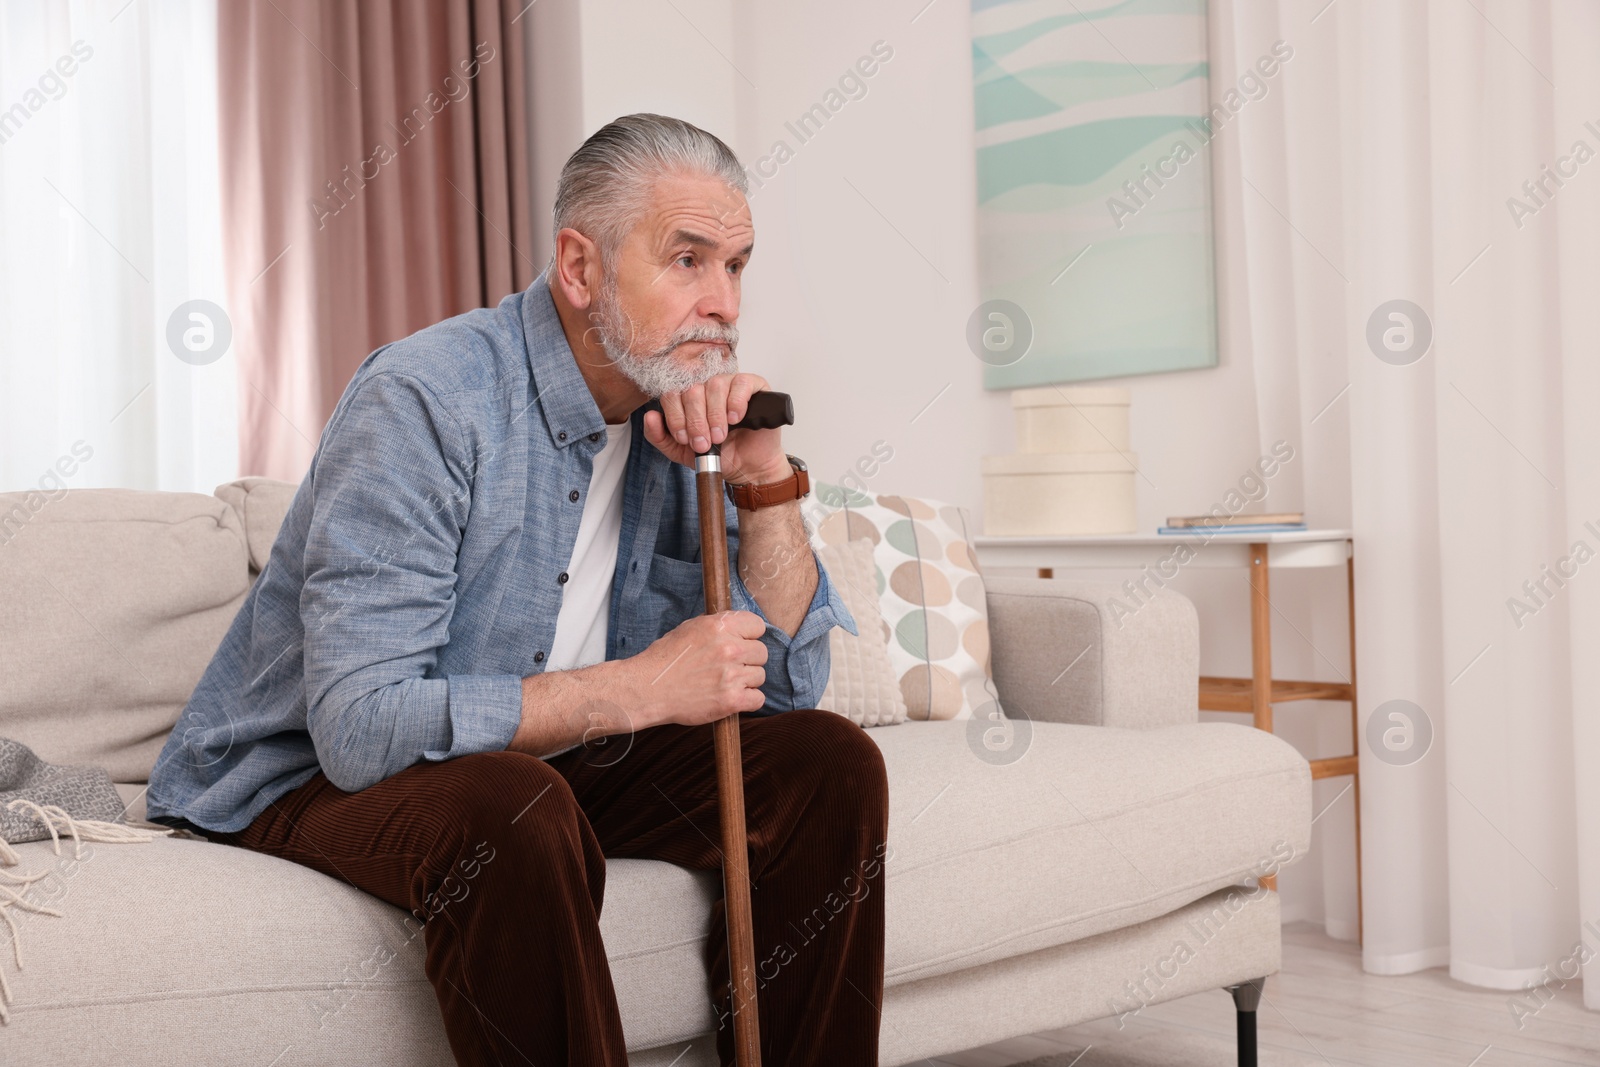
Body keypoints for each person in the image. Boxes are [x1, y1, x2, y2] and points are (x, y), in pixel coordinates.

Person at [145, 112, 888, 1067]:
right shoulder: (427, 399)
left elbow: (782, 692)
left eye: (736, 266)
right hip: (305, 778)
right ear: (580, 269)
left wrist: (762, 478)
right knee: (517, 805)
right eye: (688, 260)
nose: (723, 306)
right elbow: (361, 727)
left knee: (827, 763)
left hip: (554, 754)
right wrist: (638, 688)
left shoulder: (682, 419)